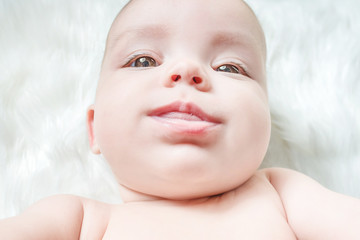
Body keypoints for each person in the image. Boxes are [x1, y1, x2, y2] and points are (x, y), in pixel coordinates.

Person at [1, 0, 359, 239]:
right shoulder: (79, 220)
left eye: (230, 67)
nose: (187, 71)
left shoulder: (281, 194)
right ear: (94, 130)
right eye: (143, 60)